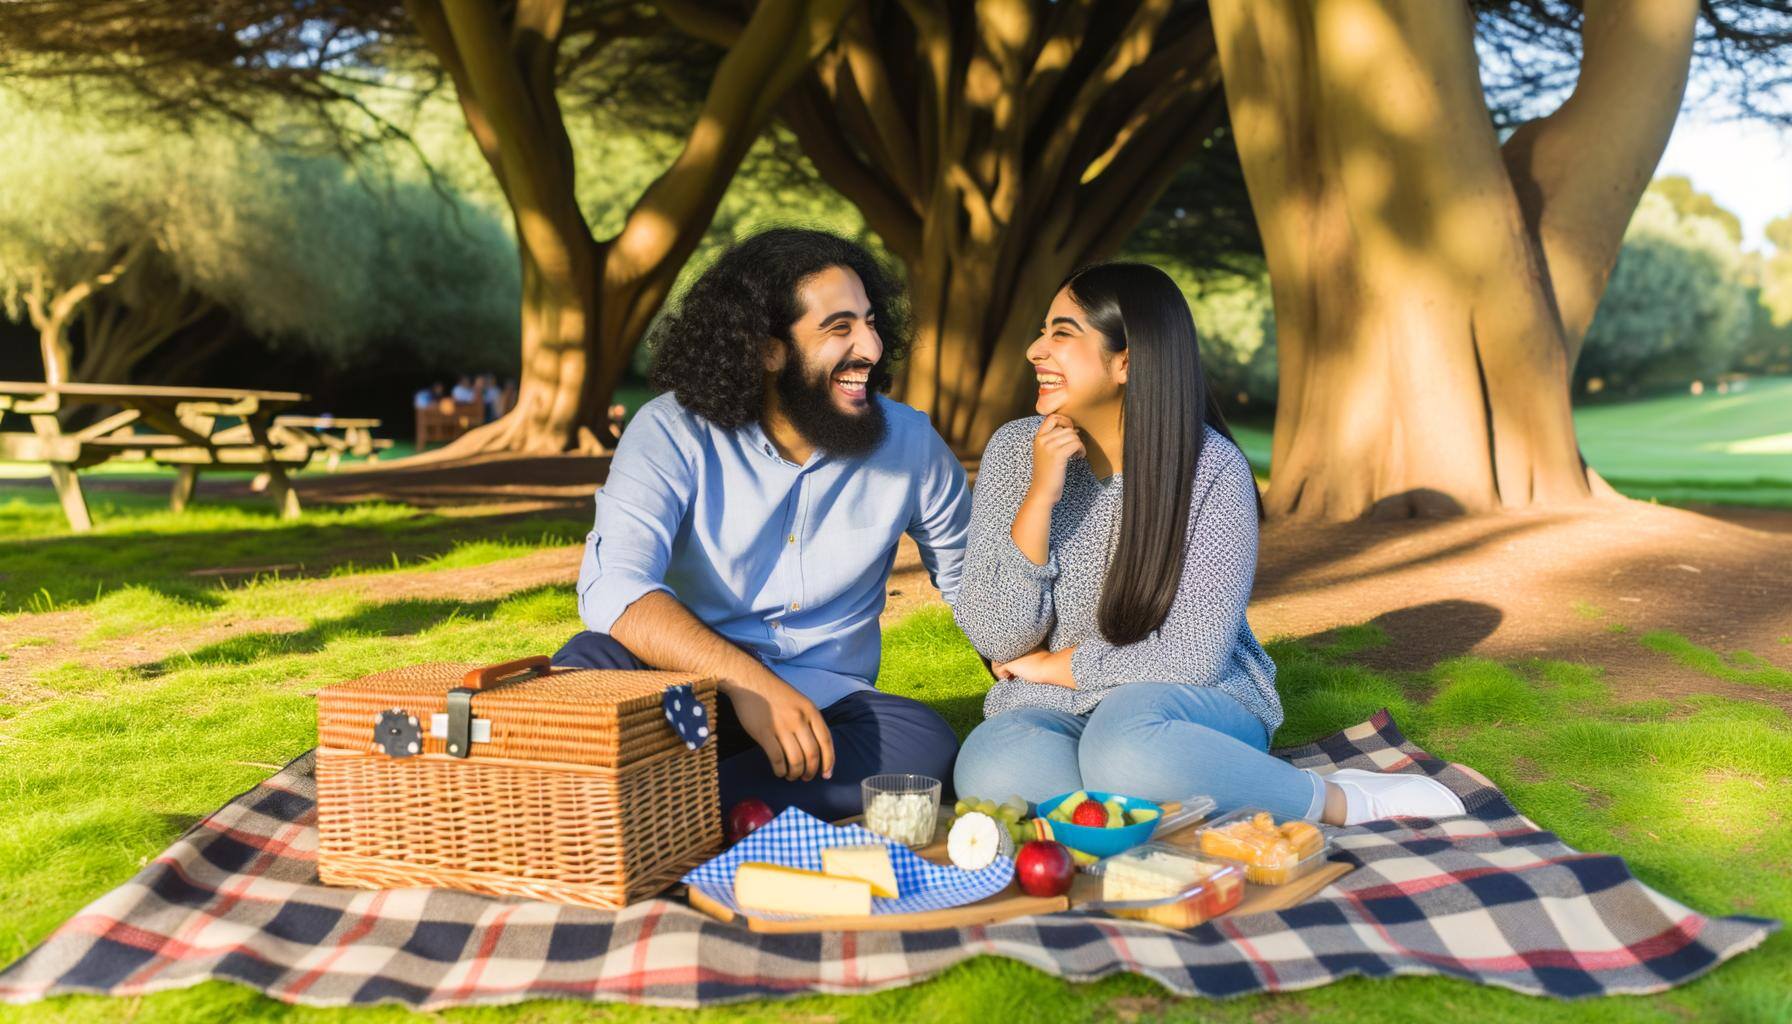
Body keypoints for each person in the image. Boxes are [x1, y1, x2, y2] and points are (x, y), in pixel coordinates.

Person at [950, 263, 1465, 826]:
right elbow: (998, 636)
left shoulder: (1211, 470)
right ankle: (1168, 802)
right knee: (993, 773)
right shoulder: (1013, 452)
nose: (1034, 349)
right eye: (1043, 330)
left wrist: (1056, 666)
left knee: (1127, 752)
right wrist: (1040, 496)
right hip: (1053, 710)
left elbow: (1192, 657)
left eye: (1062, 334)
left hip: (1184, 701)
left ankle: (1339, 799)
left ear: (1128, 361)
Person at [552, 228, 970, 820]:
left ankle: (641, 810)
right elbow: (614, 586)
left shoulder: (909, 442)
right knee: (588, 668)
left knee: (920, 742)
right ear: (766, 348)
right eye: (840, 327)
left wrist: (1040, 688)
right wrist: (745, 683)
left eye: (872, 322)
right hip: (679, 688)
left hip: (821, 712)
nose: (872, 349)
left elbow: (976, 585)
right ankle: (713, 806)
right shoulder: (671, 430)